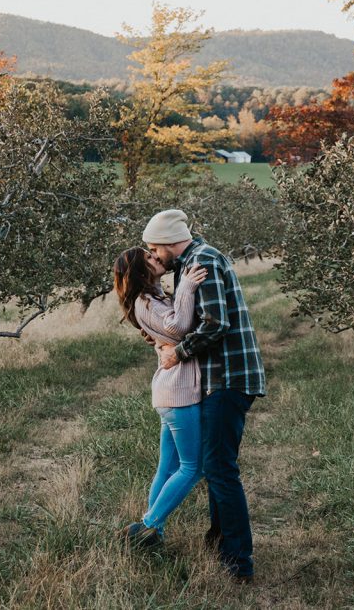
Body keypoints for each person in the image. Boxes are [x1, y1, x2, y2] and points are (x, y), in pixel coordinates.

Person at [142, 209, 266, 583]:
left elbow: (216, 322)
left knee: (220, 470)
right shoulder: (188, 265)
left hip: (228, 377)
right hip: (215, 378)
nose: (153, 255)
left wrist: (176, 353)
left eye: (153, 248)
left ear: (165, 242)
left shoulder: (205, 259)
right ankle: (219, 543)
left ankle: (238, 562)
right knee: (215, 468)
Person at [112, 246, 208, 548]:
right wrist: (188, 288)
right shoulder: (145, 301)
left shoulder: (150, 298)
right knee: (194, 468)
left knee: (168, 467)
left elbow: (169, 332)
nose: (158, 259)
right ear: (141, 272)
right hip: (177, 394)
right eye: (150, 259)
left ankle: (156, 534)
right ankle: (145, 527)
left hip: (171, 392)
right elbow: (178, 328)